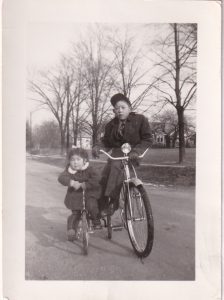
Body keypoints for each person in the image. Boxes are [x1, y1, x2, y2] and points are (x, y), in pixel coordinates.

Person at [92, 93, 153, 216]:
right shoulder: (111, 125)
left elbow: (147, 139)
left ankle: (113, 202)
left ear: (129, 108)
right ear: (114, 110)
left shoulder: (140, 120)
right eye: (116, 108)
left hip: (133, 155)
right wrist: (98, 147)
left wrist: (137, 151)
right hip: (116, 156)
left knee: (115, 167)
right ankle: (99, 209)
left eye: (123, 107)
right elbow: (106, 141)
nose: (119, 110)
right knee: (103, 177)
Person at [58, 147, 102, 242]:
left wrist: (86, 184)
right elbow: (61, 177)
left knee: (92, 205)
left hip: (89, 193)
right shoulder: (69, 170)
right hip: (76, 196)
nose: (75, 162)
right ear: (69, 161)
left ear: (84, 160)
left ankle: (96, 220)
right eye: (72, 160)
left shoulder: (90, 169)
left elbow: (97, 178)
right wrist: (72, 182)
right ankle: (71, 230)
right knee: (75, 214)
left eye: (78, 160)